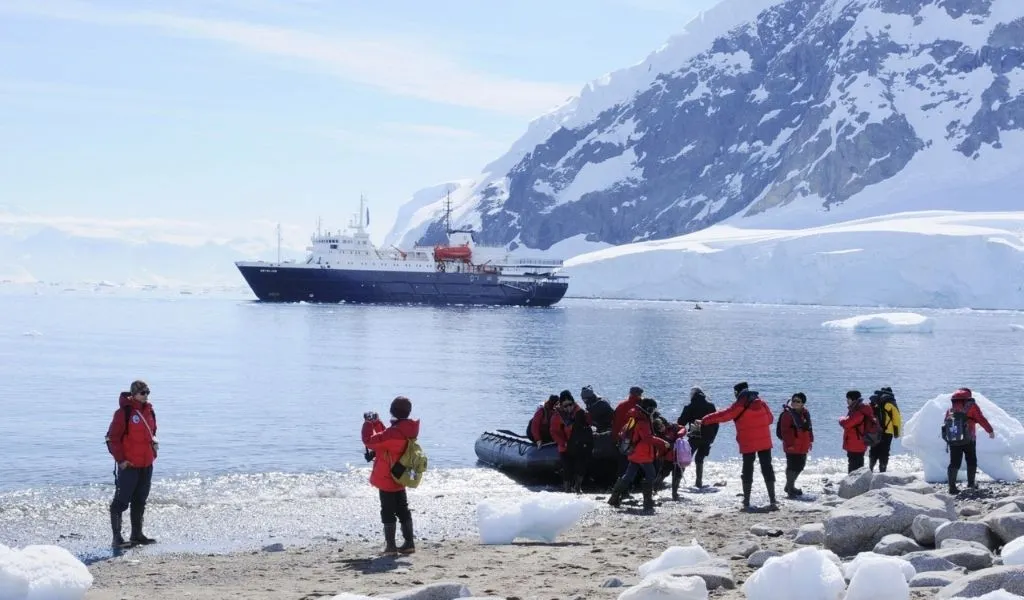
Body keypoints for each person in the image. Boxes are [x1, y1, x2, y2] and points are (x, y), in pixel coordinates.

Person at [697, 382, 777, 512]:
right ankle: (773, 501)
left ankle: (746, 502)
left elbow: (724, 415)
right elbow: (770, 419)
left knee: (747, 470)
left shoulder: (740, 404)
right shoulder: (762, 403)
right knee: (767, 468)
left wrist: (705, 420)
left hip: (748, 442)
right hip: (764, 442)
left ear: (736, 393)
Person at [362, 396, 420, 555]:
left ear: (392, 411)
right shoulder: (407, 429)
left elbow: (370, 441)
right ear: (408, 413)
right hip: (401, 474)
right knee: (403, 509)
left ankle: (391, 547)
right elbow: (386, 435)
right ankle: (409, 543)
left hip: (387, 476)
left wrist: (368, 424)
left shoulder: (394, 433)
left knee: (387, 510)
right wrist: (376, 423)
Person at [105, 380, 159, 548]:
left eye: (147, 392)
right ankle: (117, 538)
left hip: (146, 463)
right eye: (142, 392)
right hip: (129, 465)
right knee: (121, 501)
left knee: (140, 500)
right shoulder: (123, 413)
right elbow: (112, 438)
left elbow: (153, 432)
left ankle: (137, 534)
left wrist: (153, 453)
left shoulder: (149, 410)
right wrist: (120, 460)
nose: (146, 395)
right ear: (134, 393)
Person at [608, 397, 669, 512]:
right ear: (649, 409)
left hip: (634, 452)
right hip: (643, 454)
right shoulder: (643, 421)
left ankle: (614, 498)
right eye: (653, 409)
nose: (654, 411)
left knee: (628, 475)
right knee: (651, 475)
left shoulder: (635, 417)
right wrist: (662, 442)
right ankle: (647, 502)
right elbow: (647, 438)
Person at [943, 388, 995, 494]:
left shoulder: (951, 408)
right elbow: (980, 418)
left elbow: (946, 422)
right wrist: (990, 430)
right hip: (969, 438)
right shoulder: (971, 406)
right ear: (968, 396)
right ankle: (971, 484)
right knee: (971, 460)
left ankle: (952, 487)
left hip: (954, 439)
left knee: (954, 462)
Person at [550, 390, 593, 493]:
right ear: (561, 405)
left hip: (579, 444)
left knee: (581, 466)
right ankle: (567, 489)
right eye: (565, 406)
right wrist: (563, 442)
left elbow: (588, 424)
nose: (568, 407)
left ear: (573, 402)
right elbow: (555, 432)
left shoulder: (580, 412)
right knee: (567, 468)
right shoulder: (557, 416)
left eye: (570, 404)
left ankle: (577, 487)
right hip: (565, 445)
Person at [677, 386, 718, 490]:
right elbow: (716, 423)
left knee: (685, 459)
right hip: (708, 436)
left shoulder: (689, 407)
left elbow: (681, 422)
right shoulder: (711, 406)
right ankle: (699, 483)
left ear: (693, 395)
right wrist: (713, 437)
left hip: (695, 436)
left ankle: (676, 482)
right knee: (700, 459)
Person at [777, 392, 813, 498]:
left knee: (801, 466)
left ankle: (789, 486)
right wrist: (789, 444)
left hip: (803, 444)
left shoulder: (806, 413)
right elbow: (785, 431)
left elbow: (809, 428)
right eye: (793, 401)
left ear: (803, 403)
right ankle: (790, 488)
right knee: (792, 466)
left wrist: (810, 440)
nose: (795, 403)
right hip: (792, 445)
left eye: (798, 401)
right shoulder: (787, 414)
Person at [611, 386, 644, 479]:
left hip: (622, 438)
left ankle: (619, 485)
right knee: (634, 463)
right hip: (635, 439)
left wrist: (615, 438)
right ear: (640, 395)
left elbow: (615, 423)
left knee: (622, 463)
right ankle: (629, 485)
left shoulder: (621, 405)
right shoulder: (640, 407)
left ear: (630, 394)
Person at [839, 390, 876, 473]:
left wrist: (841, 419)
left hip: (856, 443)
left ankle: (853, 484)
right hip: (858, 443)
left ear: (853, 399)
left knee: (854, 467)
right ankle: (857, 482)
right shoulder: (859, 408)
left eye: (848, 399)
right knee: (857, 465)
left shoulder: (859, 411)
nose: (847, 401)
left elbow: (846, 423)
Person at [869, 387, 902, 473]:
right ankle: (882, 470)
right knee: (884, 451)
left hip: (875, 431)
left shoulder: (874, 402)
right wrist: (897, 433)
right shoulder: (891, 402)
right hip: (887, 431)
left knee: (874, 449)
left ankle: (870, 469)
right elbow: (896, 418)